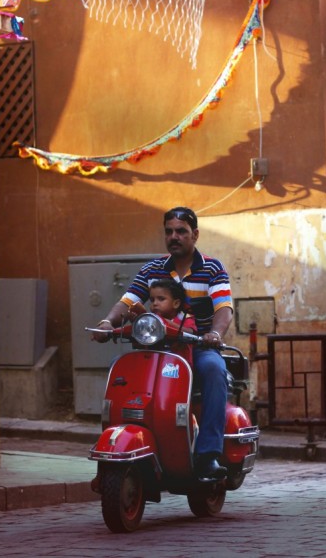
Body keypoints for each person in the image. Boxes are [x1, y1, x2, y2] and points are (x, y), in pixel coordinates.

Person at [94, 206, 233, 481]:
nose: (174, 237)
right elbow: (129, 301)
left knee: (214, 370)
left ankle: (208, 455)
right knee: (120, 371)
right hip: (155, 348)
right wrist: (107, 322)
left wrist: (215, 335)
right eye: (169, 231)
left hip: (197, 346)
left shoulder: (212, 268)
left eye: (181, 231)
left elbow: (224, 308)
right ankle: (119, 445)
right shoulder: (153, 268)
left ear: (195, 234)